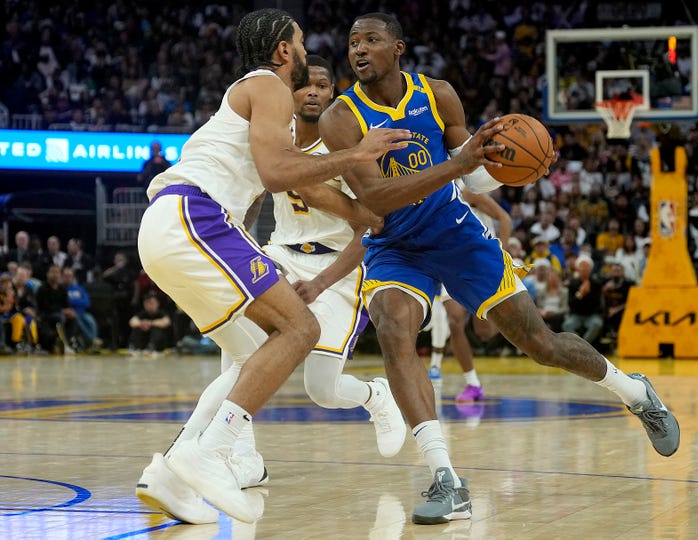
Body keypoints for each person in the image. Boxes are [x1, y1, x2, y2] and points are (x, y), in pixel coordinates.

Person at [319, 12, 680, 525]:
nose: (358, 49)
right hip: (395, 244)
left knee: (541, 344)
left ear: (398, 48)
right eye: (353, 42)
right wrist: (459, 165)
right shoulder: (341, 117)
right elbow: (376, 194)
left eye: (371, 40)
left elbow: (477, 174)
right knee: (394, 327)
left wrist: (511, 167)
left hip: (455, 233)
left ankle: (634, 392)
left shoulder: (438, 94)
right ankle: (447, 478)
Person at [135, 8, 410, 525]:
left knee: (254, 351)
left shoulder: (263, 102)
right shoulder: (269, 85)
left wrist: (366, 214)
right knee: (300, 328)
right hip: (196, 216)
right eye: (302, 44)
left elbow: (296, 184)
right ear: (285, 50)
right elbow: (279, 173)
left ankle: (172, 473)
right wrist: (358, 157)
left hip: (171, 229)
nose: (307, 54)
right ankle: (211, 454)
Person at [259, 54, 405, 456]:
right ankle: (238, 455)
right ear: (289, 90)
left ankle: (375, 395)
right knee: (239, 338)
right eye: (305, 84)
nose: (313, 92)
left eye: (323, 86)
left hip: (336, 268)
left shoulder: (347, 147)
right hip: (280, 253)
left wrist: (321, 283)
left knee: (321, 390)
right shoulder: (275, 137)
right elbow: (256, 193)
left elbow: (372, 225)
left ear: (331, 94)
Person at [428, 181, 512, 403]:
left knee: (485, 331)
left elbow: (505, 219)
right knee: (454, 321)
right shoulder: (434, 193)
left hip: (481, 262)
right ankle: (473, 384)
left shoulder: (469, 192)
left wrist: (501, 255)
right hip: (451, 262)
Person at [63, 267, 101, 351]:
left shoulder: (79, 289)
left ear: (73, 278)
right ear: (62, 277)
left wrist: (72, 301)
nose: (68, 278)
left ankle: (92, 342)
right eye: (66, 276)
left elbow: (87, 302)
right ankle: (92, 341)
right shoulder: (61, 289)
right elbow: (64, 302)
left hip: (82, 312)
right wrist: (77, 301)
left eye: (70, 276)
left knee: (91, 320)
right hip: (69, 313)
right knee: (77, 320)